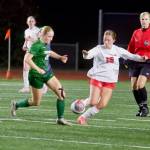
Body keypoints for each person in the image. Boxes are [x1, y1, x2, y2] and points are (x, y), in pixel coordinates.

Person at [77, 29, 147, 125]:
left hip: (110, 80)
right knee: (93, 101)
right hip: (97, 77)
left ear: (114, 40)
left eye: (108, 40)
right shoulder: (99, 48)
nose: (106, 42)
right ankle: (81, 103)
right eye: (105, 39)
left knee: (102, 104)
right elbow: (89, 55)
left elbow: (131, 56)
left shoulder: (117, 50)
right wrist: (85, 55)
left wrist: (142, 58)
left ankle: (83, 117)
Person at [11, 26, 71, 125]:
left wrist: (60, 57)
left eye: (52, 36)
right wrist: (38, 69)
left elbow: (49, 52)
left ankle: (60, 118)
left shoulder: (46, 43)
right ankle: (16, 105)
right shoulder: (36, 45)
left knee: (62, 94)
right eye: (49, 36)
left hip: (48, 73)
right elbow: (27, 59)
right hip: (36, 76)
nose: (51, 39)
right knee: (36, 102)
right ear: (43, 35)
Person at [127, 12, 150, 117]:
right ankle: (141, 107)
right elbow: (131, 47)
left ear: (149, 20)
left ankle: (145, 107)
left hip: (147, 62)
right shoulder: (136, 32)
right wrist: (127, 58)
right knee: (133, 87)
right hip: (135, 61)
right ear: (140, 20)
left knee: (140, 85)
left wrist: (147, 56)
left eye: (146, 19)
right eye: (142, 19)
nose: (144, 21)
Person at [19, 16, 48, 94]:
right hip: (29, 51)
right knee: (25, 68)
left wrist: (31, 39)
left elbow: (41, 41)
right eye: (29, 21)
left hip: (36, 52)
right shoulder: (26, 31)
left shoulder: (38, 30)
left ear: (35, 22)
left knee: (37, 69)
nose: (30, 22)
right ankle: (26, 87)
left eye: (32, 21)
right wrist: (24, 45)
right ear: (27, 22)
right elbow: (26, 40)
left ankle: (44, 86)